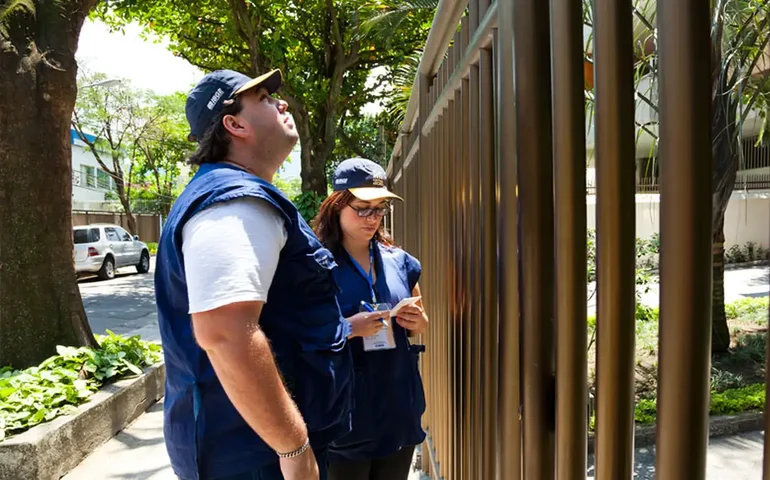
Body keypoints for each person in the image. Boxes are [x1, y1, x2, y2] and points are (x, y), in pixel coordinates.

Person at [154, 70, 386, 480]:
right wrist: (293, 447)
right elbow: (224, 333)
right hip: (256, 456)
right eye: (262, 97)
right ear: (234, 124)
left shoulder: (236, 194)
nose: (281, 103)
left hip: (253, 448)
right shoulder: (234, 201)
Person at [313, 158, 430, 480]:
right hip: (345, 410)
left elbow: (422, 322)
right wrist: (350, 328)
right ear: (336, 206)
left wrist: (416, 322)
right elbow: (298, 334)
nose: (372, 218)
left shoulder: (399, 261)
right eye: (362, 208)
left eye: (379, 209)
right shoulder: (316, 265)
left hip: (396, 404)